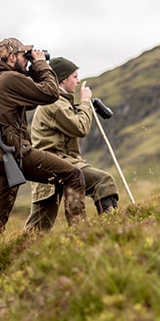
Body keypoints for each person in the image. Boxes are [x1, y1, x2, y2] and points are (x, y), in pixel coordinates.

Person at [0, 38, 87, 232]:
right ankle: (81, 236)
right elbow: (51, 94)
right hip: (17, 154)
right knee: (73, 175)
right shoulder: (9, 79)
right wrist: (40, 63)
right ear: (12, 57)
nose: (27, 60)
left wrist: (31, 69)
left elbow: (33, 99)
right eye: (24, 56)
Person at [24, 57, 120, 233]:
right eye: (74, 77)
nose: (77, 81)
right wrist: (85, 102)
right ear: (62, 80)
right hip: (56, 164)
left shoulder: (59, 102)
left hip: (57, 165)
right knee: (103, 181)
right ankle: (106, 230)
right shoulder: (54, 103)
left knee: (39, 225)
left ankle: (104, 231)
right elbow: (80, 128)